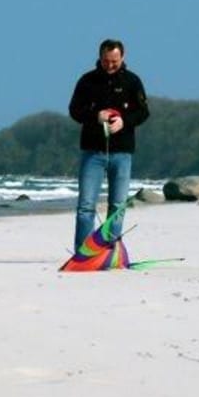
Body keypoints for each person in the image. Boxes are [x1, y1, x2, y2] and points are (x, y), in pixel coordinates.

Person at [69, 38, 150, 250]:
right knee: (86, 206)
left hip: (122, 153)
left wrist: (125, 120)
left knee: (117, 206)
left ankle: (110, 250)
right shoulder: (87, 81)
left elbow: (143, 112)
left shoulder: (133, 81)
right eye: (106, 61)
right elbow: (74, 111)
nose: (110, 65)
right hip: (92, 152)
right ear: (100, 57)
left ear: (122, 57)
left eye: (114, 60)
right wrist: (95, 116)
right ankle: (83, 252)